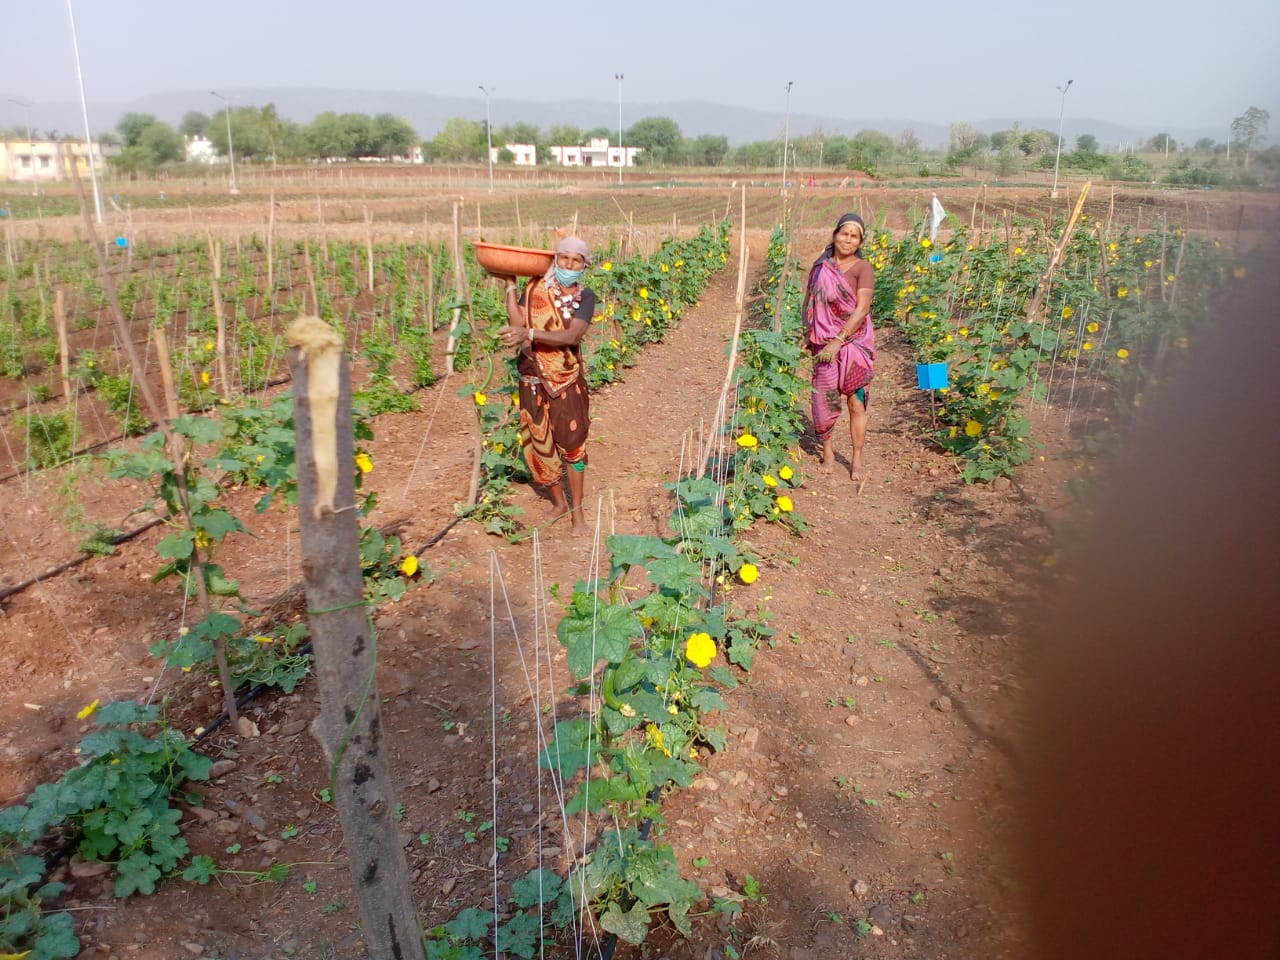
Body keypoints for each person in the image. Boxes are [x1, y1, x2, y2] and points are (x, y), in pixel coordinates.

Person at [497, 236, 596, 536]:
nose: (568, 264)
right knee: (538, 442)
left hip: (565, 378)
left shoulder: (585, 297)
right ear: (556, 260)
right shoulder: (536, 289)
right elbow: (518, 321)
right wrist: (511, 286)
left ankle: (577, 513)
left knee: (572, 444)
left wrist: (528, 333)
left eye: (575, 260)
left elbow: (571, 337)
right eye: (563, 258)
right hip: (531, 376)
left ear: (584, 265)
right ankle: (558, 503)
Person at [802, 212, 876, 489]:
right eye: (844, 233)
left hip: (854, 343)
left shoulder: (862, 268)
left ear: (859, 241)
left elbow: (862, 309)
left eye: (854, 236)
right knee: (824, 400)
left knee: (856, 402)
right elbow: (810, 301)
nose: (848, 239)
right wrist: (809, 332)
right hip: (823, 342)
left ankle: (857, 457)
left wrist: (839, 339)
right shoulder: (822, 267)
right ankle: (828, 451)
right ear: (835, 234)